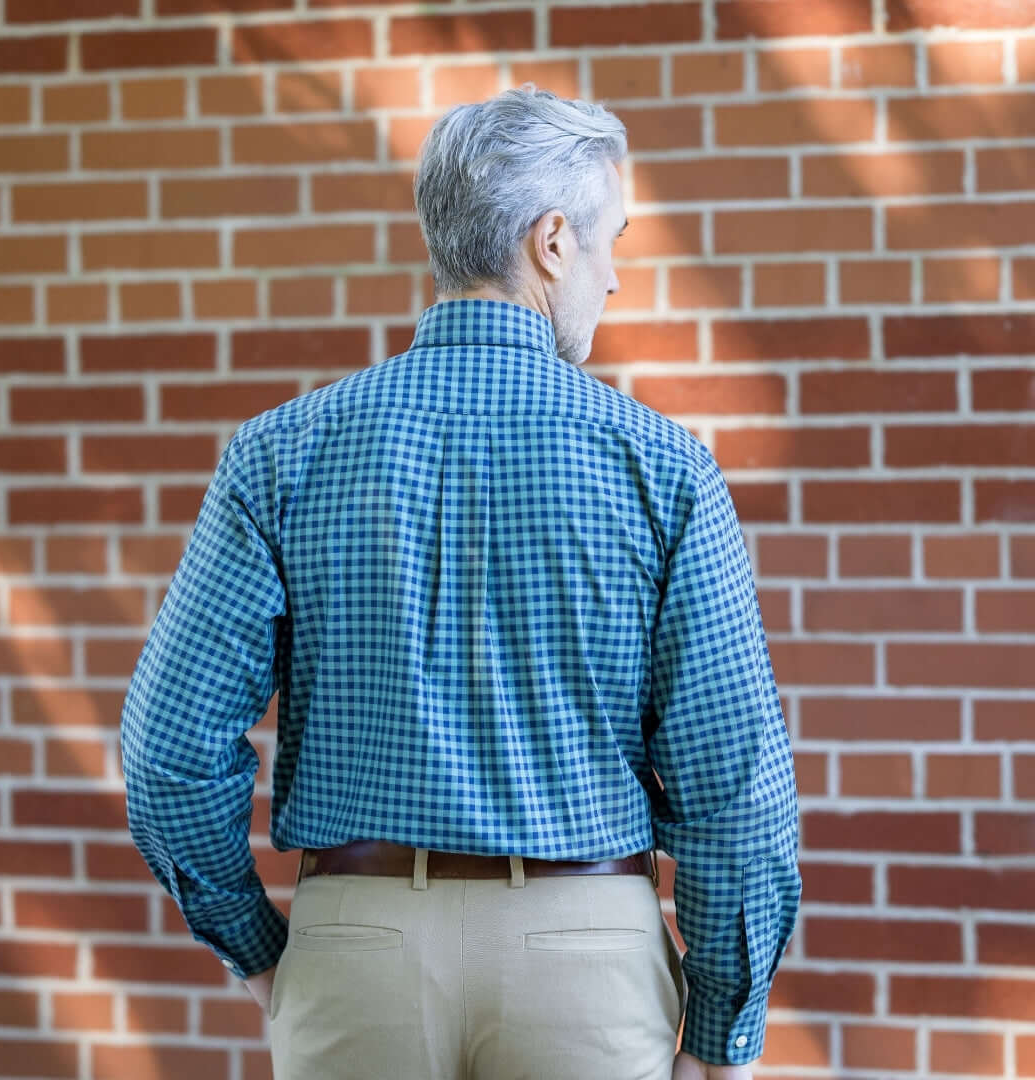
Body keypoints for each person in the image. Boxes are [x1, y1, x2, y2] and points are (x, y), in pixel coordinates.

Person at [121, 83, 801, 1080]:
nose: (613, 280)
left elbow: (168, 750)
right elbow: (734, 781)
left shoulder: (281, 454)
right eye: (610, 242)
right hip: (587, 965)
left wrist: (260, 949)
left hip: (358, 953)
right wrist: (723, 1026)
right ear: (553, 240)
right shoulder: (662, 468)